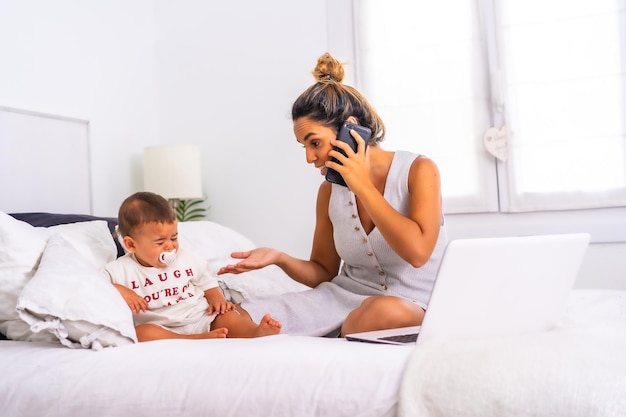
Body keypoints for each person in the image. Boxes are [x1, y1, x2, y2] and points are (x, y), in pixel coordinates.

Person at [217, 52, 448, 337]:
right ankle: (330, 333)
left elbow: (417, 253)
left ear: (349, 128)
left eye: (315, 142)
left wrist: (361, 185)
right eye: (304, 147)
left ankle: (327, 333)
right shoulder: (329, 191)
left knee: (380, 313)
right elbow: (324, 272)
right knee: (228, 319)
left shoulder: (419, 170)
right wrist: (279, 258)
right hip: (338, 300)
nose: (310, 158)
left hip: (409, 304)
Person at [104, 191, 282, 342]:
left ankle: (254, 332)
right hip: (163, 327)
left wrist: (216, 299)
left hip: (199, 317)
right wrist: (121, 289)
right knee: (142, 333)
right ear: (131, 244)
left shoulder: (186, 257)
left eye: (174, 238)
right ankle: (195, 340)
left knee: (228, 316)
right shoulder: (121, 269)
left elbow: (206, 280)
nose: (170, 246)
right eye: (160, 242)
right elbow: (97, 284)